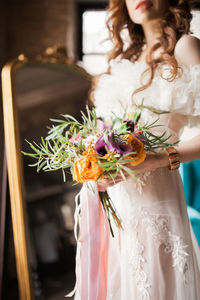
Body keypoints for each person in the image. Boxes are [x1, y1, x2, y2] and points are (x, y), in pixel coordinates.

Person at [73, 0, 200, 299]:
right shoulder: (126, 59)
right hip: (118, 211)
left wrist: (154, 159)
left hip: (158, 208)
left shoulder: (185, 47)